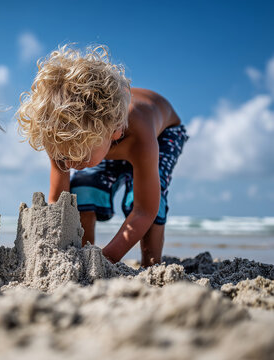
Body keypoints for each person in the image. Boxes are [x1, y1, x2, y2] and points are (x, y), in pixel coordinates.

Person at [17, 45, 188, 267]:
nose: (69, 164)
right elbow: (58, 200)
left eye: (79, 156)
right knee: (84, 189)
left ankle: (151, 264)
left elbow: (145, 210)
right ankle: (80, 250)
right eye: (63, 157)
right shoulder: (60, 136)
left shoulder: (140, 138)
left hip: (164, 134)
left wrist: (107, 258)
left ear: (114, 132)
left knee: (145, 197)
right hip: (102, 140)